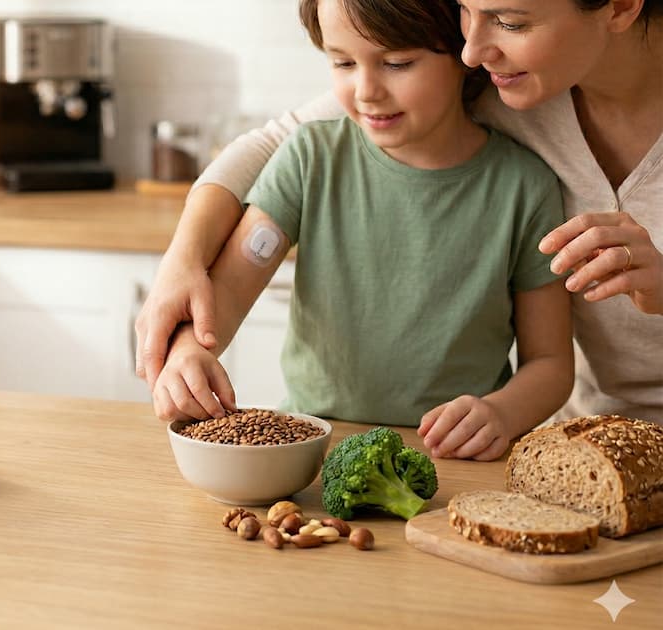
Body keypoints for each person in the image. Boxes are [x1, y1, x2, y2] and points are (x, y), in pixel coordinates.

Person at [137, 0, 663, 454]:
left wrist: (501, 412)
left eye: (509, 20)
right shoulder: (325, 150)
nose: (472, 49)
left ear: (620, 7)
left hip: (462, 459)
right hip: (322, 447)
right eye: (467, 12)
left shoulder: (523, 182)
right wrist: (187, 305)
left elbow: (546, 362)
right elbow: (266, 153)